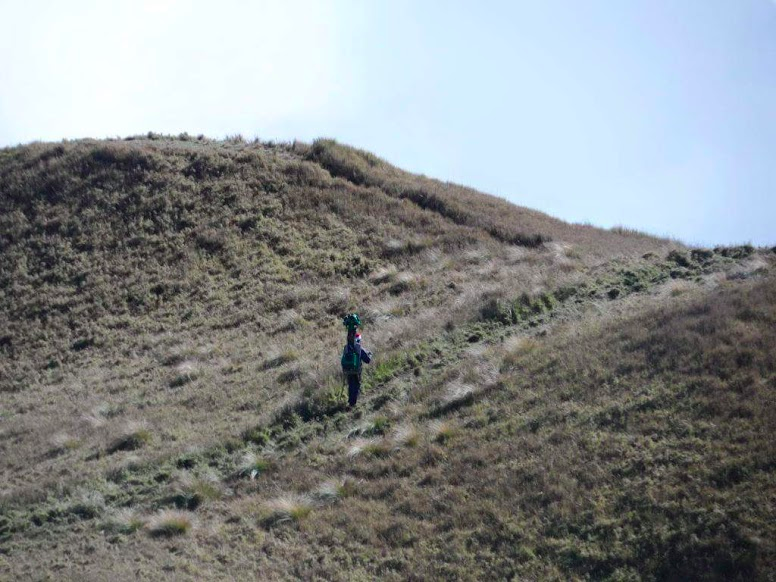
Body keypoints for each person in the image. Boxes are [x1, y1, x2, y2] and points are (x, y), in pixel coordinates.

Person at [341, 314, 373, 408]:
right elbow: (367, 359)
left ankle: (351, 402)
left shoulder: (347, 347)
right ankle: (353, 403)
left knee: (351, 384)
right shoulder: (358, 347)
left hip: (348, 369)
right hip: (356, 368)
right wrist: (369, 354)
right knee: (356, 384)